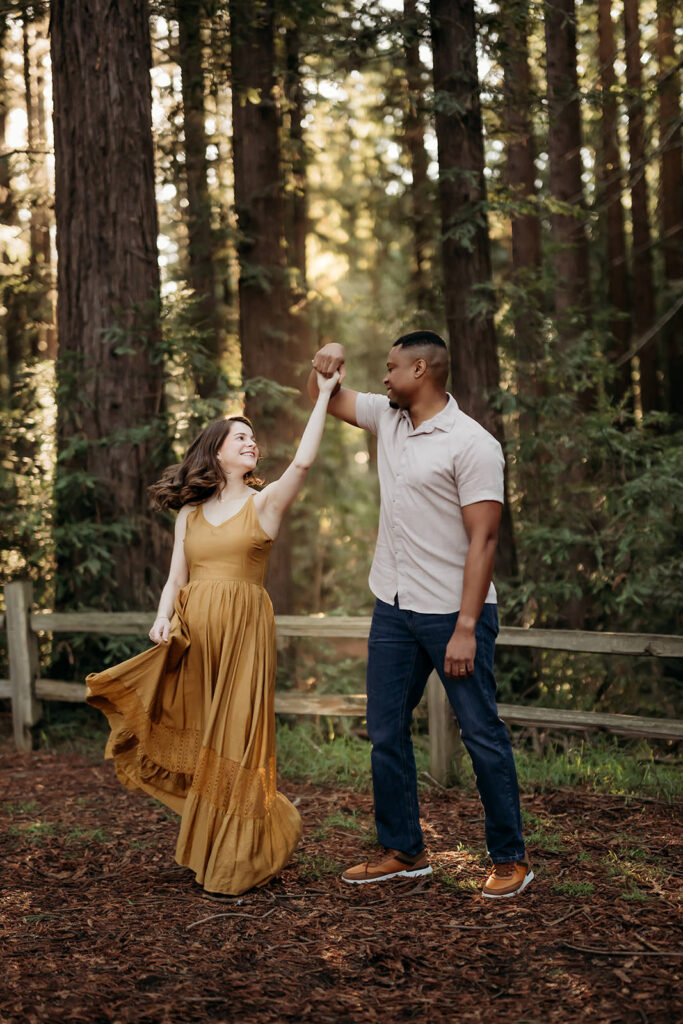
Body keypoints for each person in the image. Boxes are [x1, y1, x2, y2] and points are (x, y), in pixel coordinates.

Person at [86, 371, 340, 896]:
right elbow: (176, 575)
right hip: (193, 635)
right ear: (216, 451)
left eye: (253, 438)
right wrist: (161, 618)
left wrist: (327, 396)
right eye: (240, 437)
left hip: (244, 632)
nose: (251, 443)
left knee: (238, 733)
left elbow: (304, 461)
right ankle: (214, 837)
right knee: (198, 732)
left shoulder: (264, 502)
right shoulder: (190, 513)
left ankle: (239, 853)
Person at [308, 331, 532, 898]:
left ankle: (510, 859)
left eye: (391, 368)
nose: (383, 377)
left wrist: (464, 628)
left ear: (422, 369)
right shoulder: (389, 418)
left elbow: (484, 542)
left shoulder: (472, 443)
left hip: (453, 616)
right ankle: (404, 851)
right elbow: (327, 398)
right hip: (394, 607)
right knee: (385, 731)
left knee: (481, 735)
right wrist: (326, 358)